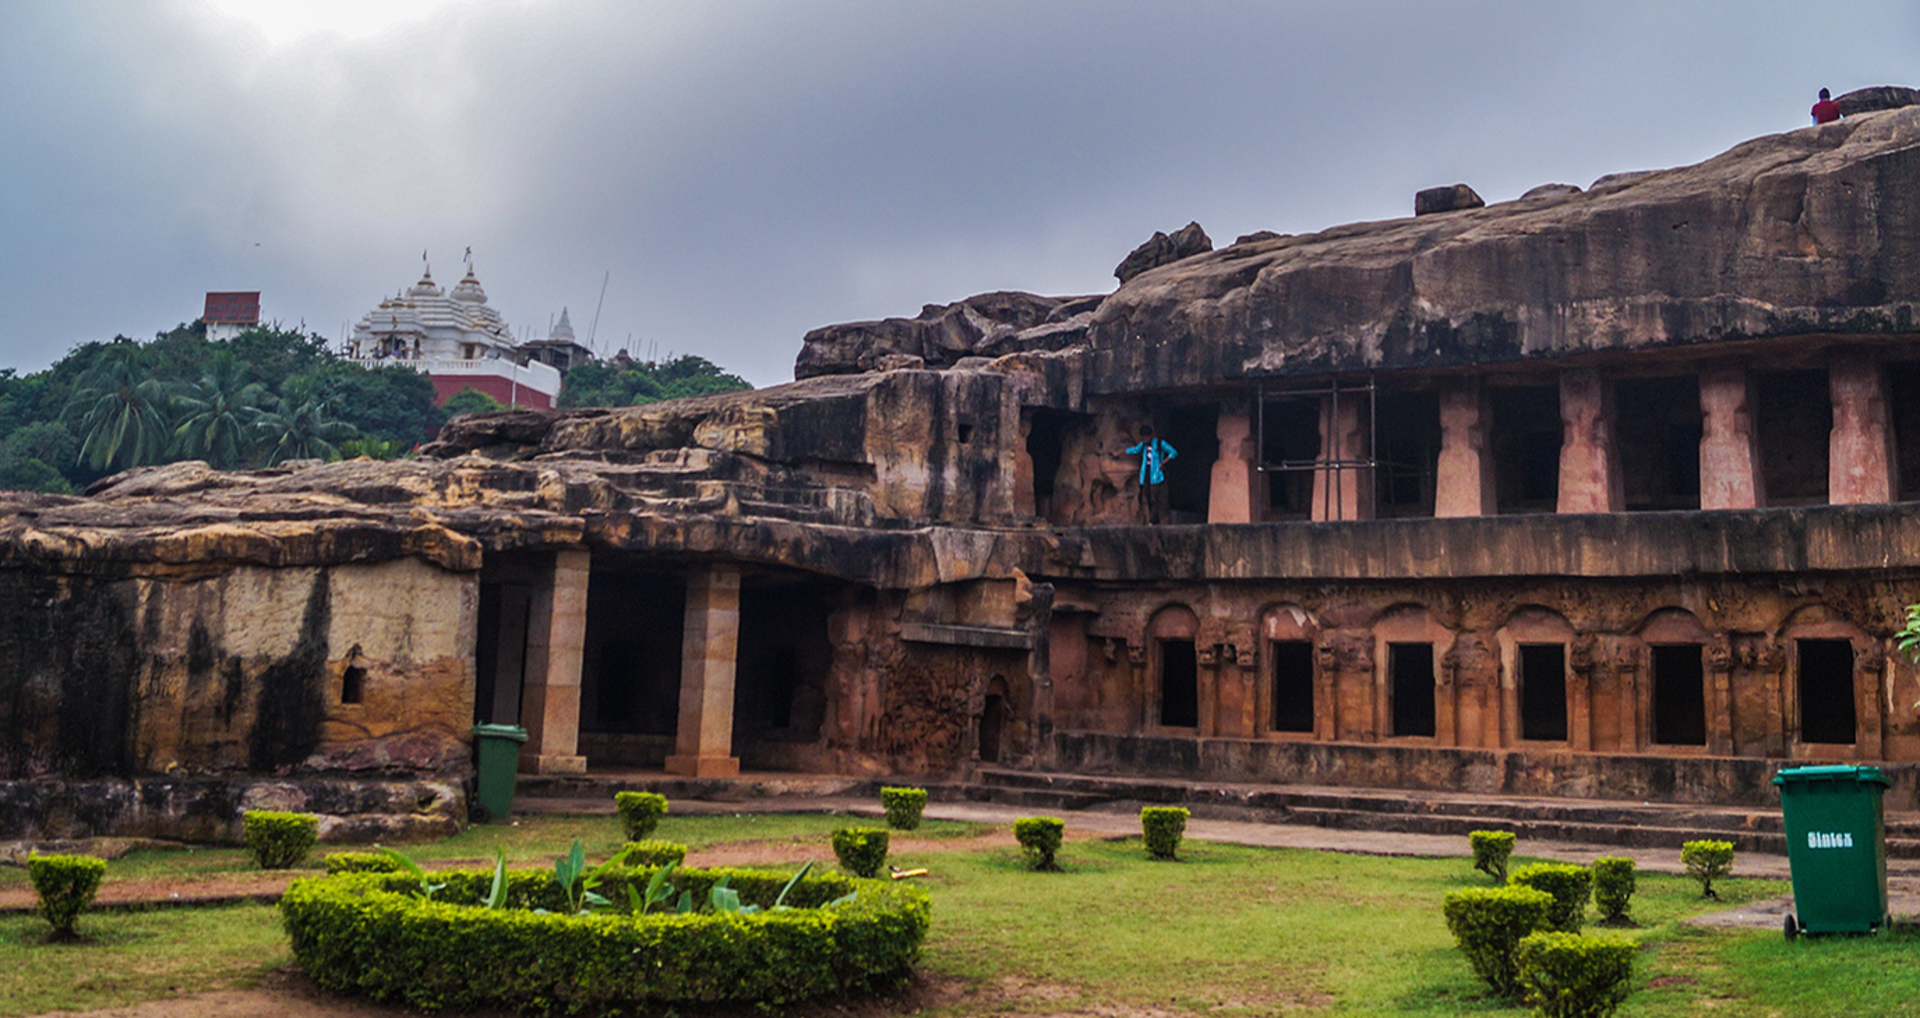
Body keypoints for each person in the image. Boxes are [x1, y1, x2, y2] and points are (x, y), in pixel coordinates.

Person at [1125, 425, 1177, 524]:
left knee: (1155, 498)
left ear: (1150, 436)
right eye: (1143, 437)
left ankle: (1153, 520)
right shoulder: (1143, 445)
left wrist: (1163, 462)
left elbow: (1173, 452)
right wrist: (1122, 452)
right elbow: (1134, 450)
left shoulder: (1159, 443)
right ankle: (1153, 518)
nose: (1145, 439)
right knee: (1147, 496)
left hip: (1156, 475)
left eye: (1146, 437)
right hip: (1145, 475)